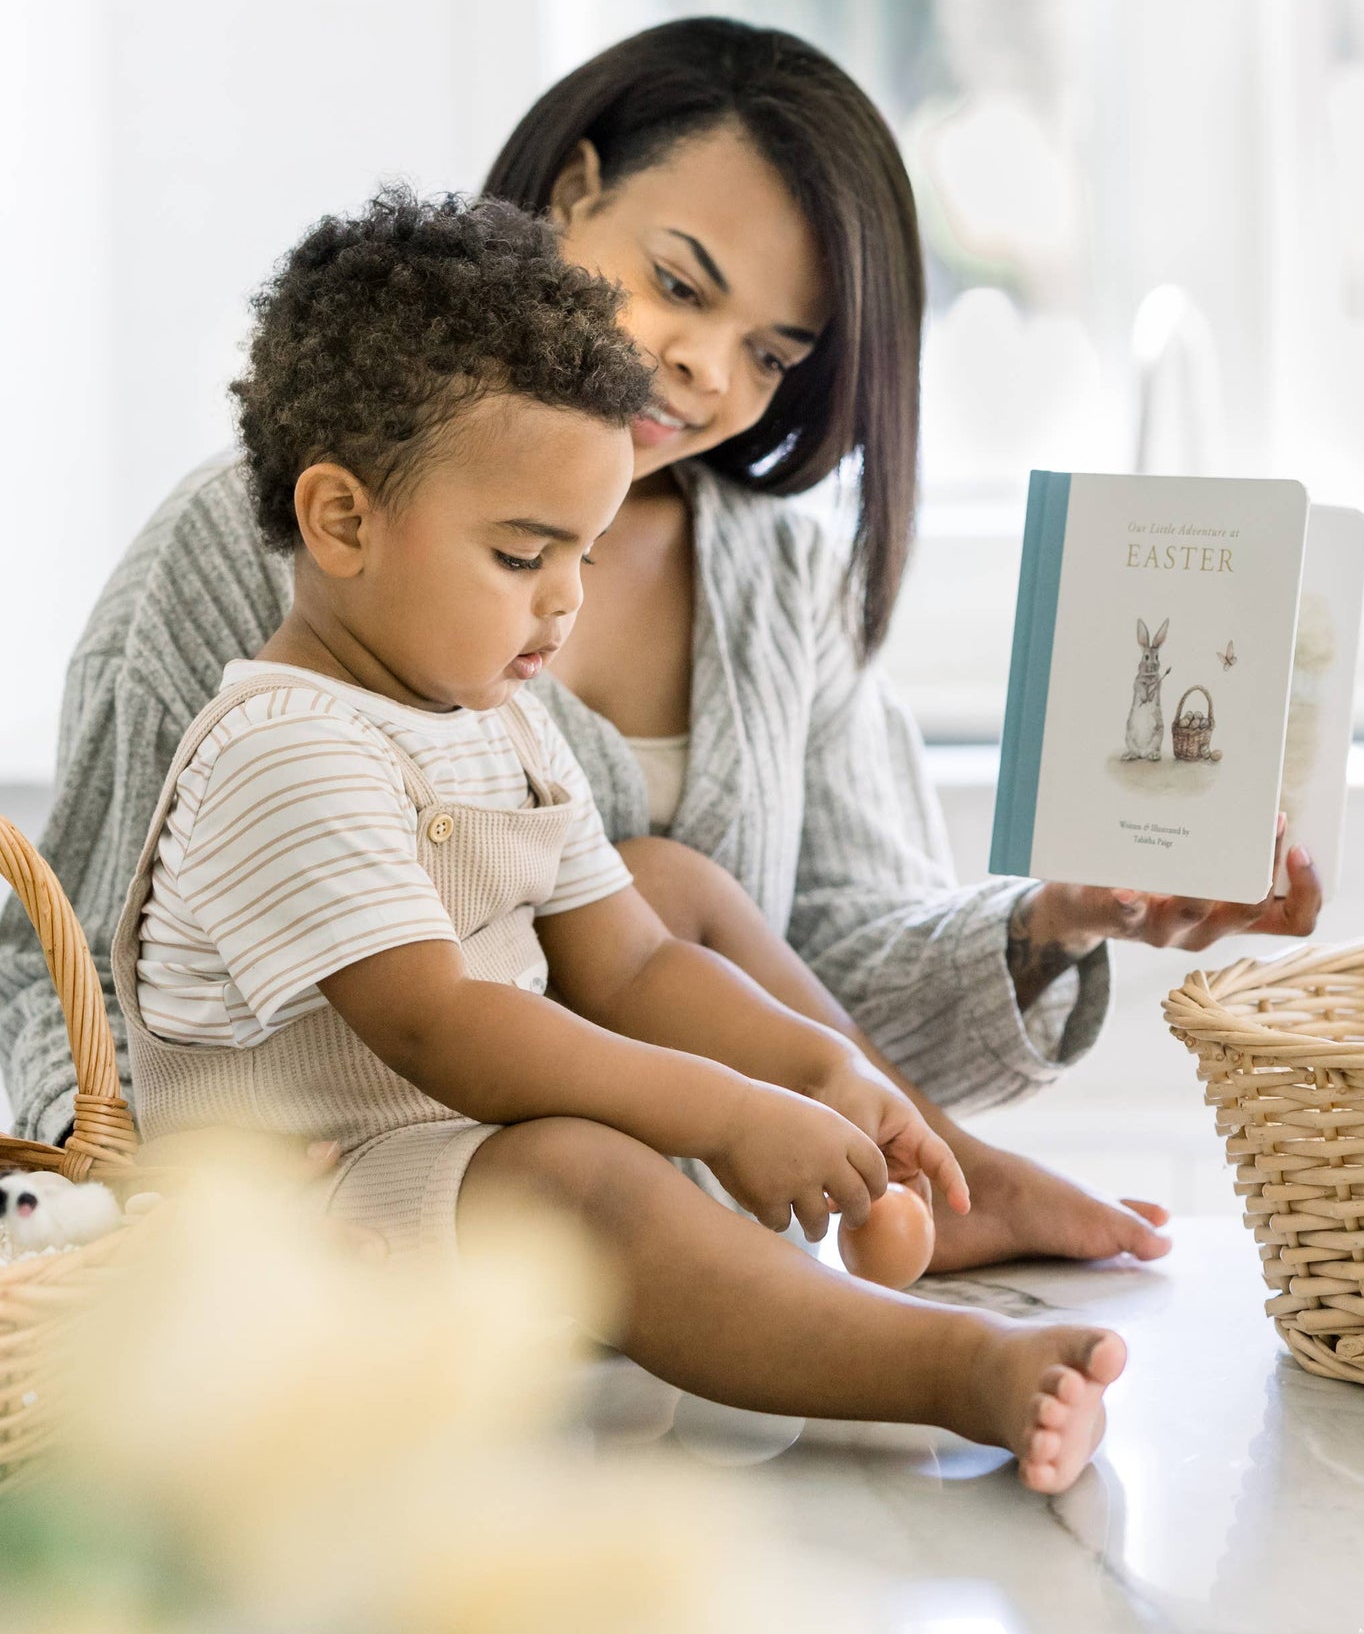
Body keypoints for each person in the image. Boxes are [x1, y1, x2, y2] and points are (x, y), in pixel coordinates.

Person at [0, 18, 1321, 1269]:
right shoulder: (265, 540)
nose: (704, 372)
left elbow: (821, 964)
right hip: (383, 1207)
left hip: (695, 1253)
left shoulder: (777, 569)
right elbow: (67, 970)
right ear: (571, 192)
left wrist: (1049, 922)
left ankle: (943, 1174)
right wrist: (155, 1190)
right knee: (629, 894)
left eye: (770, 353)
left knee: (657, 887)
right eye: (677, 286)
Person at [116, 188, 1125, 1494]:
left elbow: (636, 962)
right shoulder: (285, 745)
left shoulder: (488, 712)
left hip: (444, 1173)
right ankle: (951, 1373)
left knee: (604, 1145)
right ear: (343, 521)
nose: (562, 602)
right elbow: (445, 1030)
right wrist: (725, 1107)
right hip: (306, 1221)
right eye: (522, 552)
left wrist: (820, 1071)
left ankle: (802, 1304)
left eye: (581, 556)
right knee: (588, 1169)